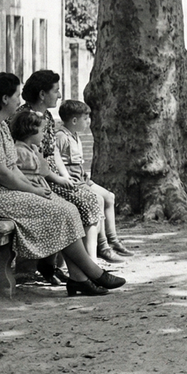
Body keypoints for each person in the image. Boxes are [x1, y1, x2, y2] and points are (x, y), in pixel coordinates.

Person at [0, 73, 125, 297]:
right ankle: (91, 273)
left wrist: (34, 187)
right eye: (16, 95)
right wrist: (34, 190)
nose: (19, 100)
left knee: (68, 208)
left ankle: (79, 279)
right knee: (57, 210)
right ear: (5, 98)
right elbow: (1, 174)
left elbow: (11, 168)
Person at [17, 71, 104, 261]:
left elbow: (53, 151)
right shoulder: (25, 117)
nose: (60, 95)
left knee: (92, 199)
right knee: (85, 202)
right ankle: (84, 262)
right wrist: (57, 179)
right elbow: (28, 158)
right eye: (56, 91)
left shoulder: (47, 116)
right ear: (42, 94)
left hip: (51, 174)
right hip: (36, 177)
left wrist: (64, 175)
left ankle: (89, 256)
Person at [56, 100, 134, 260]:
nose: (88, 122)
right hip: (72, 180)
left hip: (81, 177)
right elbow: (55, 161)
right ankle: (103, 246)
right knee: (97, 200)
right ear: (74, 121)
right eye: (86, 119)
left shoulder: (75, 135)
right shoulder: (61, 136)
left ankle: (113, 240)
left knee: (109, 197)